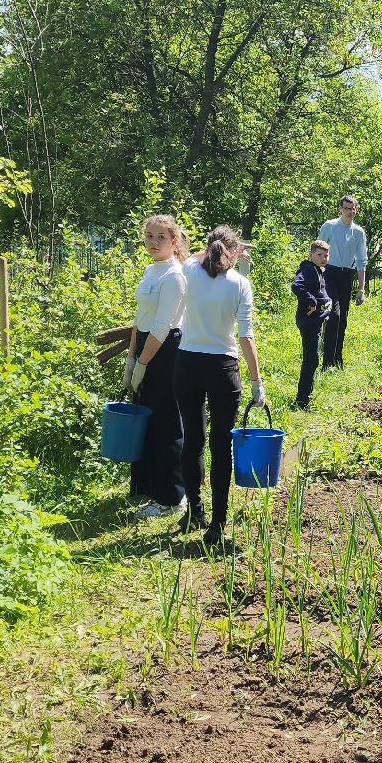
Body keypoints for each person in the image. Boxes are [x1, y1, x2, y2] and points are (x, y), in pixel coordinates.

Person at [175, 226, 265, 545]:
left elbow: (195, 258)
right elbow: (246, 336)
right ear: (236, 252)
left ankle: (194, 510)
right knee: (220, 445)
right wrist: (257, 383)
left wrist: (218, 250)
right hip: (222, 368)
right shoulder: (241, 283)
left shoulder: (189, 270)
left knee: (193, 440)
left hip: (187, 364)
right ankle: (217, 522)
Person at [127, 215, 188, 519]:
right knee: (148, 422)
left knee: (167, 425)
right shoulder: (152, 269)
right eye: (149, 236)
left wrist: (142, 363)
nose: (153, 242)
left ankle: (173, 497)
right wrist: (131, 356)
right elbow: (140, 318)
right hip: (144, 349)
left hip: (164, 353)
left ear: (174, 241)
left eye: (161, 237)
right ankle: (153, 488)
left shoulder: (174, 276)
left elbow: (162, 327)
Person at [316, 194, 366, 368]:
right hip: (330, 273)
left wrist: (361, 289)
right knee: (333, 315)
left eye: (353, 208)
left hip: (346, 275)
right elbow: (317, 250)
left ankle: (337, 359)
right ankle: (327, 361)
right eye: (346, 208)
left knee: (342, 318)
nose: (349, 211)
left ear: (356, 210)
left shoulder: (358, 232)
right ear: (340, 209)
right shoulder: (329, 226)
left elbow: (361, 260)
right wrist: (316, 275)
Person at [291, 239, 332, 409]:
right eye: (319, 255)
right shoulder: (308, 269)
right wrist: (311, 300)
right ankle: (302, 400)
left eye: (326, 255)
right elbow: (296, 285)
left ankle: (306, 396)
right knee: (311, 359)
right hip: (308, 321)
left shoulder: (318, 270)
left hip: (316, 319)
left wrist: (326, 305)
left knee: (313, 359)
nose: (323, 258)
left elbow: (320, 292)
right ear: (311, 255)